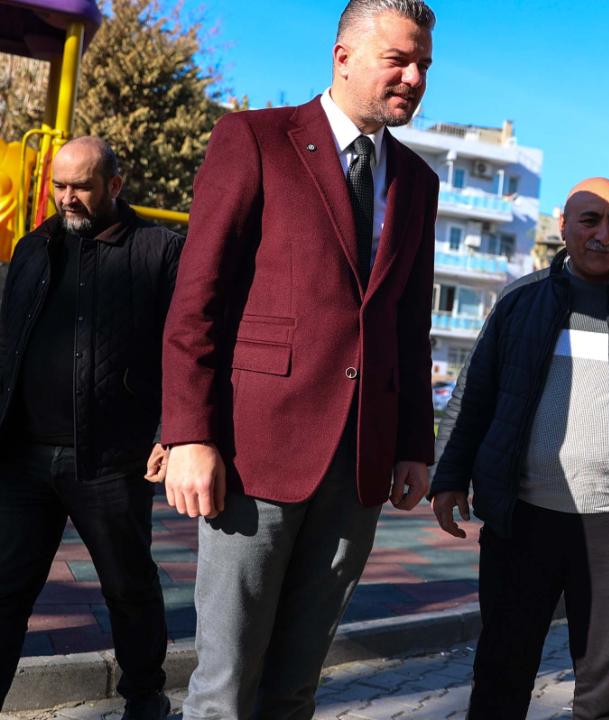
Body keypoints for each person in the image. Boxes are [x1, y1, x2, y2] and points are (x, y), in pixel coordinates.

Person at [160, 1, 439, 715]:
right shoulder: (255, 138)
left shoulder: (416, 182)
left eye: (424, 66)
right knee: (226, 684)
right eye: (399, 60)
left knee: (296, 685)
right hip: (257, 453)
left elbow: (409, 323)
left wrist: (412, 444)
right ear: (343, 56)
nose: (414, 77)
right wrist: (189, 434)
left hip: (359, 466)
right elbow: (199, 296)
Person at [429, 178, 609, 719]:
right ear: (563, 227)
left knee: (606, 694)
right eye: (590, 220)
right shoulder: (520, 298)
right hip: (522, 522)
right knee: (500, 676)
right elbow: (475, 394)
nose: (604, 233)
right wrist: (449, 474)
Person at [0, 137, 181, 718]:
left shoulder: (158, 251)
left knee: (128, 588)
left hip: (111, 457)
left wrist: (170, 430)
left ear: (115, 186)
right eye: (59, 185)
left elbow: (188, 348)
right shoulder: (34, 248)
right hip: (24, 458)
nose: (67, 197)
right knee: (4, 593)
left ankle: (146, 700)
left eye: (81, 185)